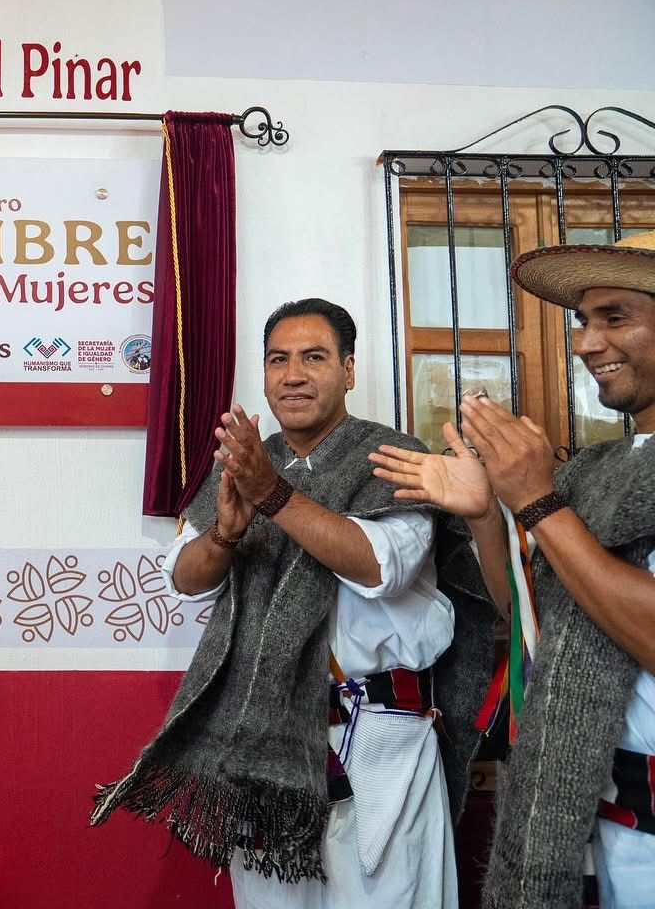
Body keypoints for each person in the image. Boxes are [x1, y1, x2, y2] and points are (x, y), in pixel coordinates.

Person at [92, 298, 493, 909]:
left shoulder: (394, 458)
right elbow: (184, 576)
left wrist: (272, 494)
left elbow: (379, 565)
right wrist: (226, 535)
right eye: (278, 360)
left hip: (378, 743)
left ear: (349, 370)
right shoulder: (246, 464)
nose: (293, 375)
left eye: (314, 357)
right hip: (264, 741)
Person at [370, 230, 655, 909]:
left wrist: (536, 502)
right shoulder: (600, 467)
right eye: (583, 321)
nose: (586, 344)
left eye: (615, 317)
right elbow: (526, 614)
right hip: (592, 814)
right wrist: (483, 516)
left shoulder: (562, 489)